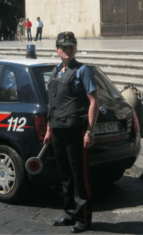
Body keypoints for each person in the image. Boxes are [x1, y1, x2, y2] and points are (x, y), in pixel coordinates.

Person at [43, 31, 99, 234]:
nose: (66, 50)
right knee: (64, 175)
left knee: (80, 176)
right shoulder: (55, 71)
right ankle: (68, 214)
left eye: (70, 47)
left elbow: (94, 100)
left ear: (75, 49)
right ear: (57, 50)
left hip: (76, 130)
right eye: (63, 47)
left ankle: (83, 219)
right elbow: (53, 103)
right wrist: (49, 129)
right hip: (57, 130)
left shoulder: (83, 71)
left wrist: (90, 131)